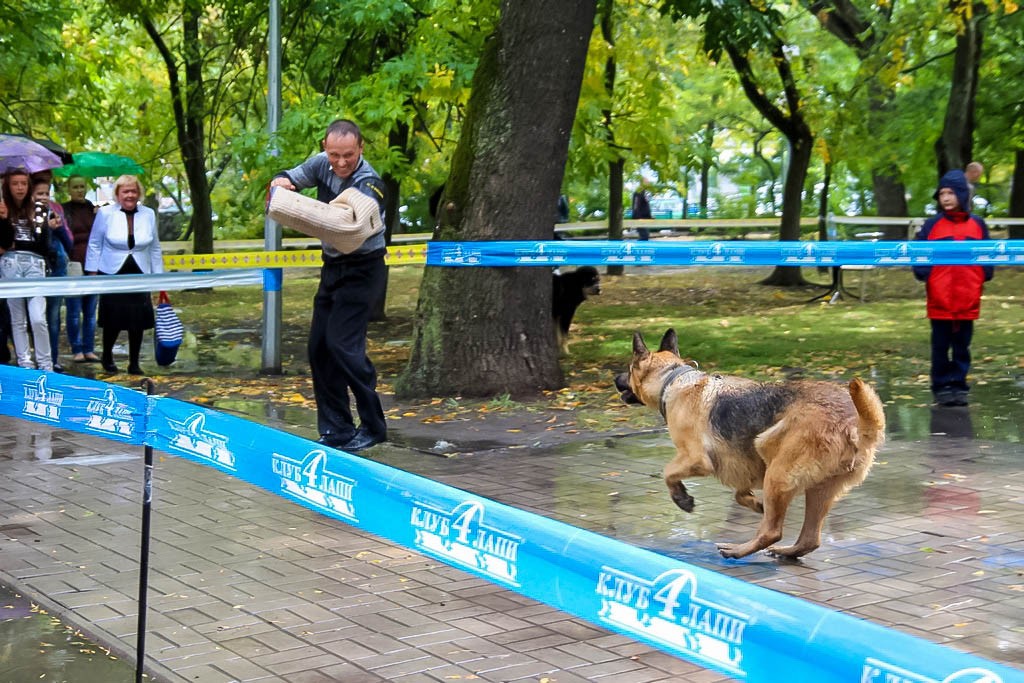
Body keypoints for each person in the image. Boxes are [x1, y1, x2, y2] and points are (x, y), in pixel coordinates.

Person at [269, 119, 388, 452]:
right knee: (319, 348)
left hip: (364, 269)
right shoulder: (322, 163)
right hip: (332, 268)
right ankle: (337, 429)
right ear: (325, 146)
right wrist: (282, 180)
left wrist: (294, 207)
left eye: (348, 155)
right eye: (334, 154)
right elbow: (291, 177)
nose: (340, 162)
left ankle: (374, 426)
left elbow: (347, 225)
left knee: (343, 345)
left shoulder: (371, 181)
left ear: (361, 149)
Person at [912, 169, 993, 407]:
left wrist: (983, 275)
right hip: (940, 299)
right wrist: (925, 274)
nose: (946, 198)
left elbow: (988, 254)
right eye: (942, 193)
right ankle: (941, 386)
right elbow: (919, 254)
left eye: (951, 193)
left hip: (968, 297)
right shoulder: (932, 225)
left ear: (961, 194)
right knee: (940, 345)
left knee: (962, 345)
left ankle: (959, 385)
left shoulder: (977, 225)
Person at [84, 175, 163, 375]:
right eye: (125, 191)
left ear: (139, 193)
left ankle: (134, 363)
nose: (130, 195)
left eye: (133, 191)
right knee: (113, 318)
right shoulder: (105, 213)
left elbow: (154, 247)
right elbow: (94, 243)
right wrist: (92, 272)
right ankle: (107, 355)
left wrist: (160, 277)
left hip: (139, 271)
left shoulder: (148, 214)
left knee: (137, 320)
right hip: (111, 270)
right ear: (118, 194)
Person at [0, 169, 53, 371]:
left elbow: (42, 243)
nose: (20, 188)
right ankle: (25, 364)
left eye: (23, 183)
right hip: (10, 263)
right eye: (15, 184)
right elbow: (5, 243)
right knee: (17, 319)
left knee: (38, 317)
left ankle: (46, 365)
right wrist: (4, 220)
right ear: (8, 186)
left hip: (35, 264)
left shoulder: (39, 209)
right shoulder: (3, 208)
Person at [32, 177, 73, 373]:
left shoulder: (55, 215)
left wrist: (60, 228)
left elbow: (69, 245)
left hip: (56, 270)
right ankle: (36, 358)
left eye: (46, 193)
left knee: (53, 317)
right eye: (39, 194)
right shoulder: (27, 218)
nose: (43, 198)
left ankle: (53, 359)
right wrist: (45, 229)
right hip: (35, 271)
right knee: (36, 318)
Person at [62, 175, 100, 363]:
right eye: (75, 187)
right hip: (73, 262)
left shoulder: (93, 210)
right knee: (74, 309)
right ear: (69, 190)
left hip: (93, 263)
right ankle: (76, 348)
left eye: (82, 186)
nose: (79, 190)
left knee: (91, 310)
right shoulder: (64, 210)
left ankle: (89, 348)